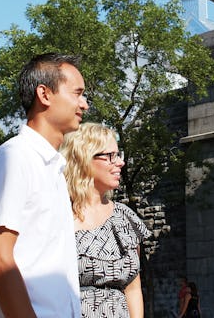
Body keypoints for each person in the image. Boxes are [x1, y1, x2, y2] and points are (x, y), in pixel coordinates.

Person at [0, 53, 89, 317]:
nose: (84, 104)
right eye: (77, 93)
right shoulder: (14, 158)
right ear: (44, 94)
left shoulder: (53, 168)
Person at [62, 123, 151, 318]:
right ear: (83, 159)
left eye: (119, 155)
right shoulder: (56, 216)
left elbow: (133, 289)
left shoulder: (125, 218)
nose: (120, 163)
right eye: (111, 156)